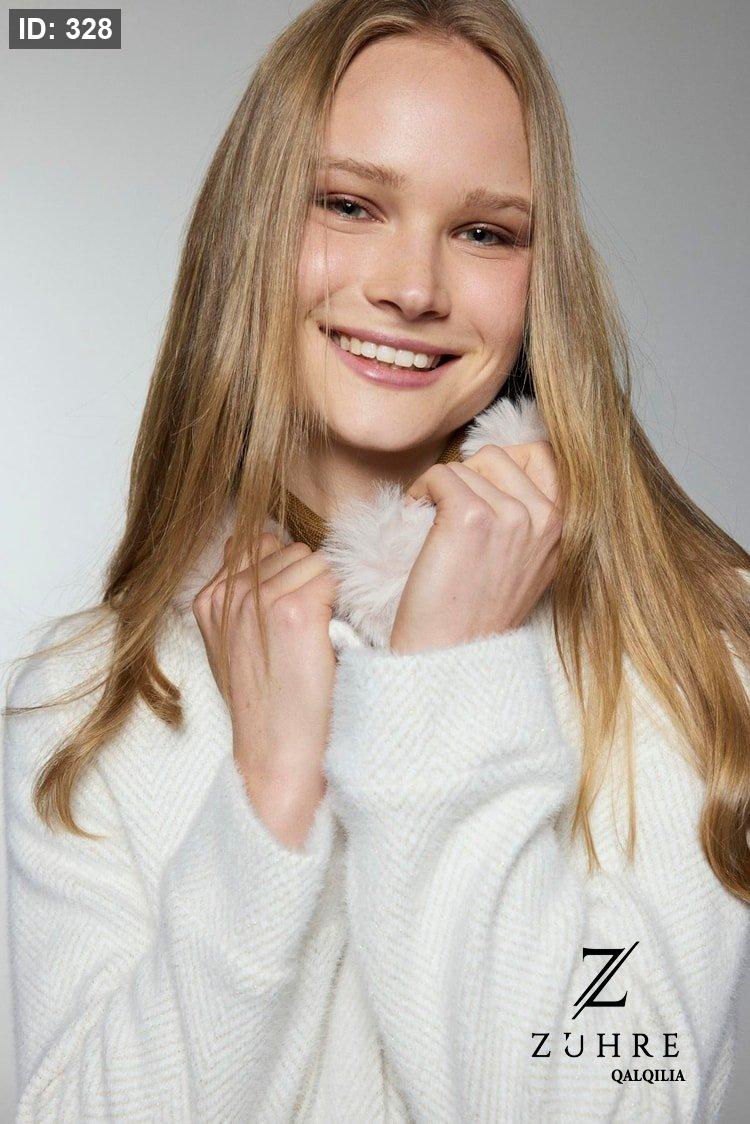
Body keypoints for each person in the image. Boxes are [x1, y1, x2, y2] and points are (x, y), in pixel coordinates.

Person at [4, 1, 750, 1121]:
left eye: (486, 232)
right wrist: (270, 797)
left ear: (542, 275)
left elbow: (608, 1104)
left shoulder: (687, 644)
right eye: (350, 205)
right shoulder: (87, 700)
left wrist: (449, 679)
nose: (413, 286)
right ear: (252, 229)